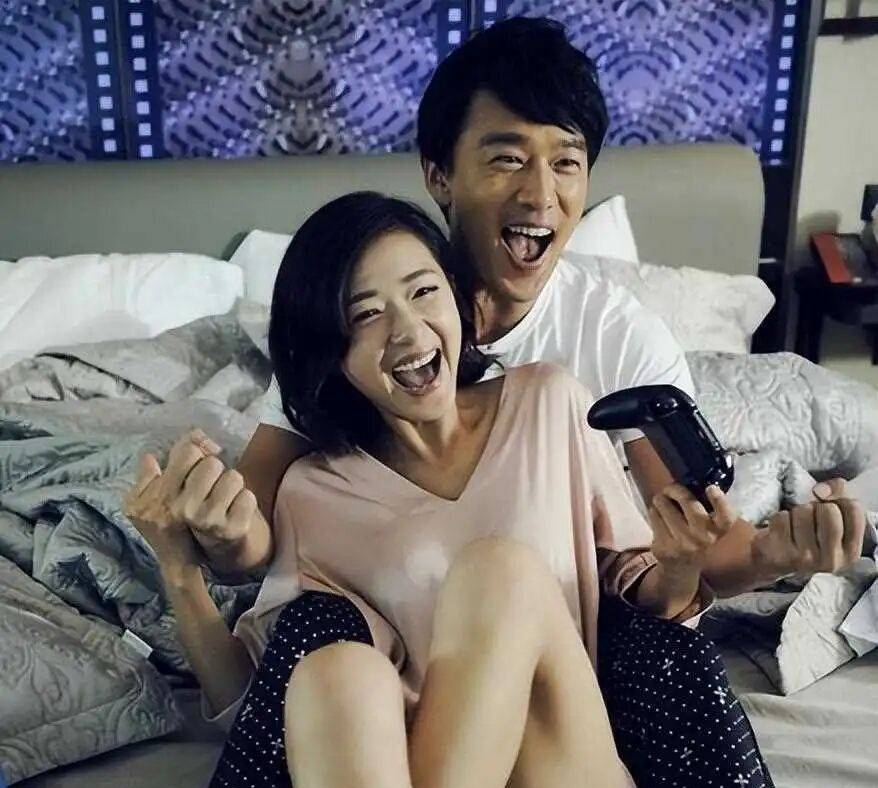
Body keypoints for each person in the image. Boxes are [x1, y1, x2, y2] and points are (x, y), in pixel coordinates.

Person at [125, 192, 767, 788]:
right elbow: (255, 714)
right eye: (365, 315)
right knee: (334, 675)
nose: (406, 330)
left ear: (460, 302)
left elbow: (640, 591)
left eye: (423, 291)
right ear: (329, 351)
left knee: (500, 574)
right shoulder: (313, 492)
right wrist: (178, 568)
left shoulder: (548, 400)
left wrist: (682, 562)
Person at [177, 16, 862, 598]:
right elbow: (248, 538)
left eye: (566, 163)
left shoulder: (618, 338)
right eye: (507, 159)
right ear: (438, 175)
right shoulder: (368, 332)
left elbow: (696, 542)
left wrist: (775, 553)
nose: (540, 196)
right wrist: (219, 532)